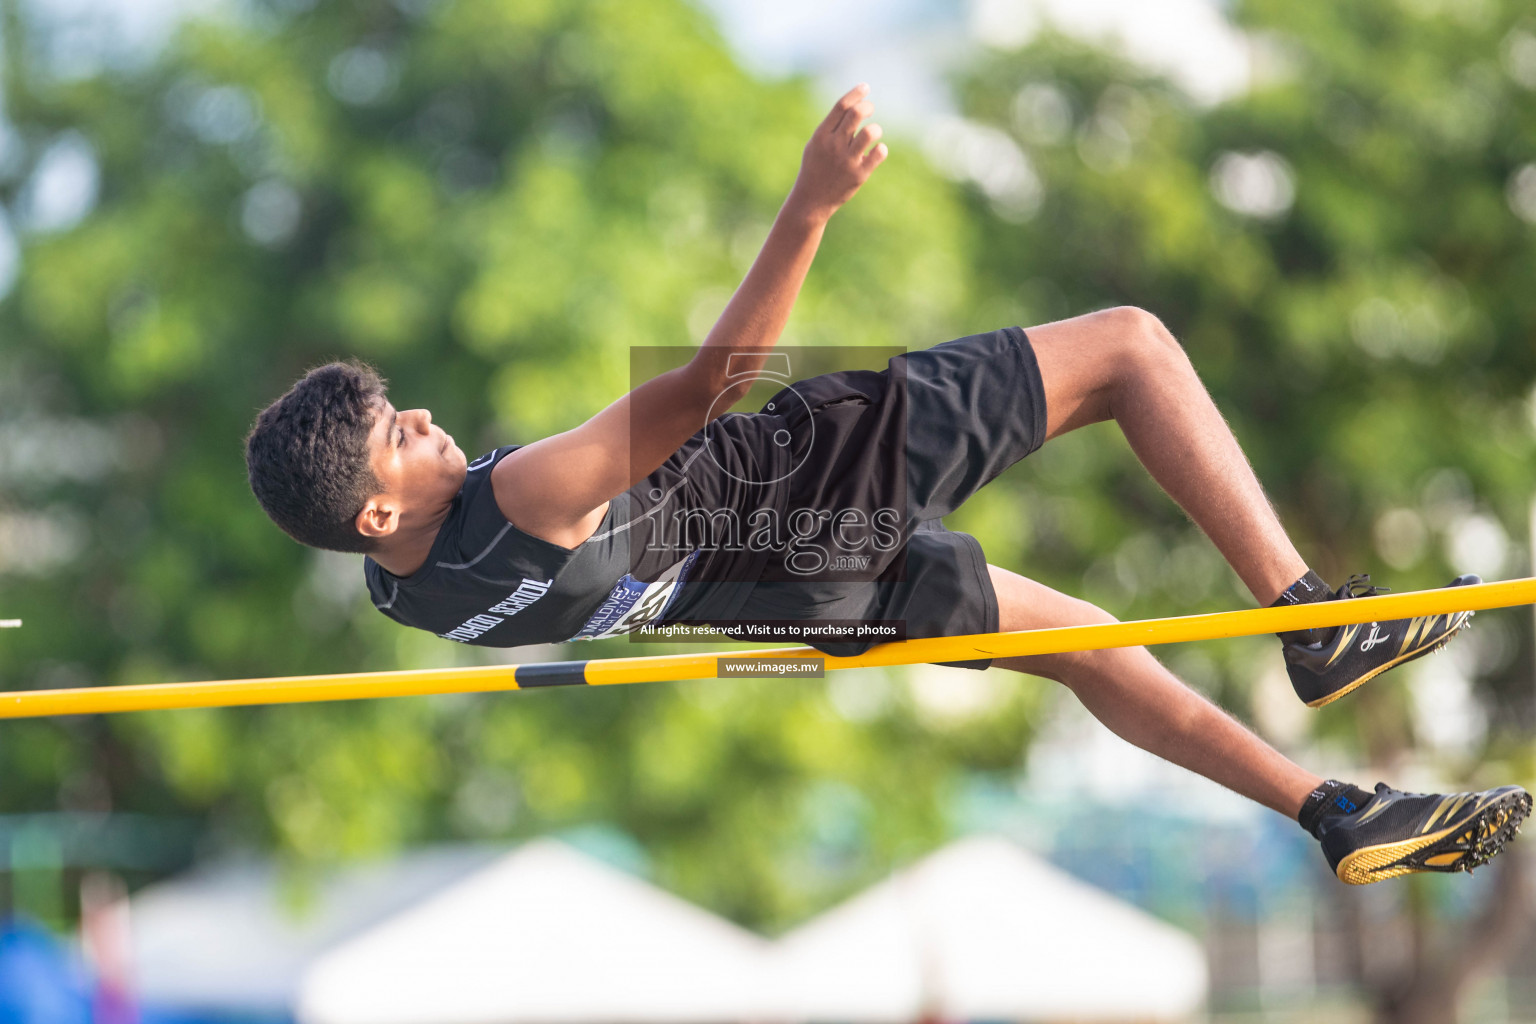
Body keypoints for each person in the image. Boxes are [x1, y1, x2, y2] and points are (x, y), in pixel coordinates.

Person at [245, 85, 1528, 884]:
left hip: (786, 594)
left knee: (1089, 647)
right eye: (396, 436)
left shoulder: (402, 592)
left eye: (396, 405)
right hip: (796, 478)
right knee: (1131, 346)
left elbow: (495, 557)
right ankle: (1313, 616)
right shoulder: (524, 491)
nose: (418, 417)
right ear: (374, 505)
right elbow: (712, 383)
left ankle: (1334, 808)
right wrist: (810, 206)